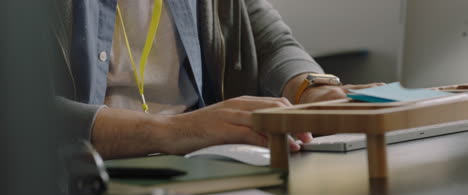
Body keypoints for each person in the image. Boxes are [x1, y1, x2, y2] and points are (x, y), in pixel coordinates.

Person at [55, 0, 382, 159]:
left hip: (201, 164)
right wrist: (171, 130)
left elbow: (265, 38)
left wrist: (311, 91)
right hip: (77, 181)